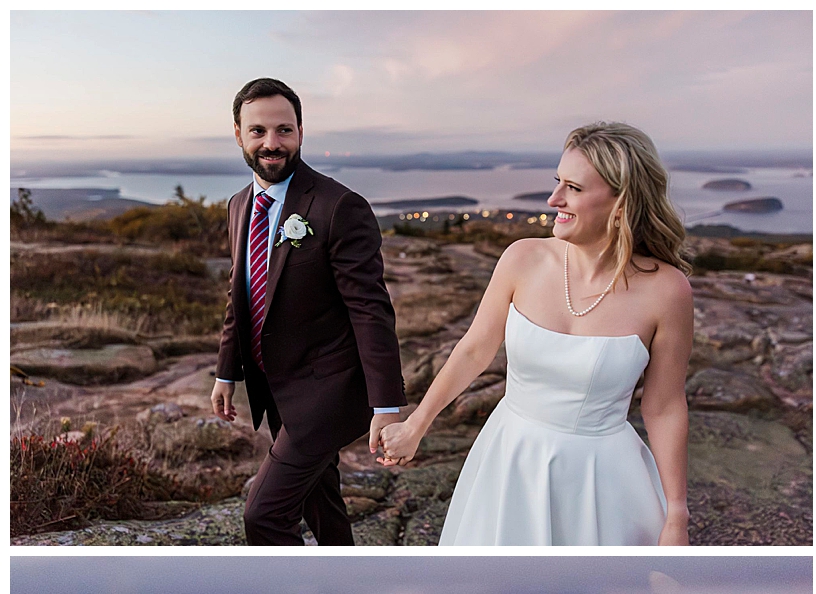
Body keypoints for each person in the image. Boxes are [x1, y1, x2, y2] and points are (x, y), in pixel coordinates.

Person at [377, 123, 694, 546]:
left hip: (602, 479)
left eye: (573, 188)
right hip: (509, 460)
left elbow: (664, 406)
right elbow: (474, 350)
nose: (554, 199)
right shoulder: (522, 258)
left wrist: (677, 515)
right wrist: (416, 425)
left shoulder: (667, 291)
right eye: (557, 182)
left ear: (621, 202)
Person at [211, 77, 403, 546]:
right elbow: (243, 294)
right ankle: (347, 589)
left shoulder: (340, 207)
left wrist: (387, 405)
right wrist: (226, 372)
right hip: (274, 386)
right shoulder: (239, 206)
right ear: (238, 134)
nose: (271, 144)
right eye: (258, 131)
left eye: (284, 130)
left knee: (264, 517)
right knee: (322, 502)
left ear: (300, 131)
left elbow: (370, 310)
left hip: (325, 392)